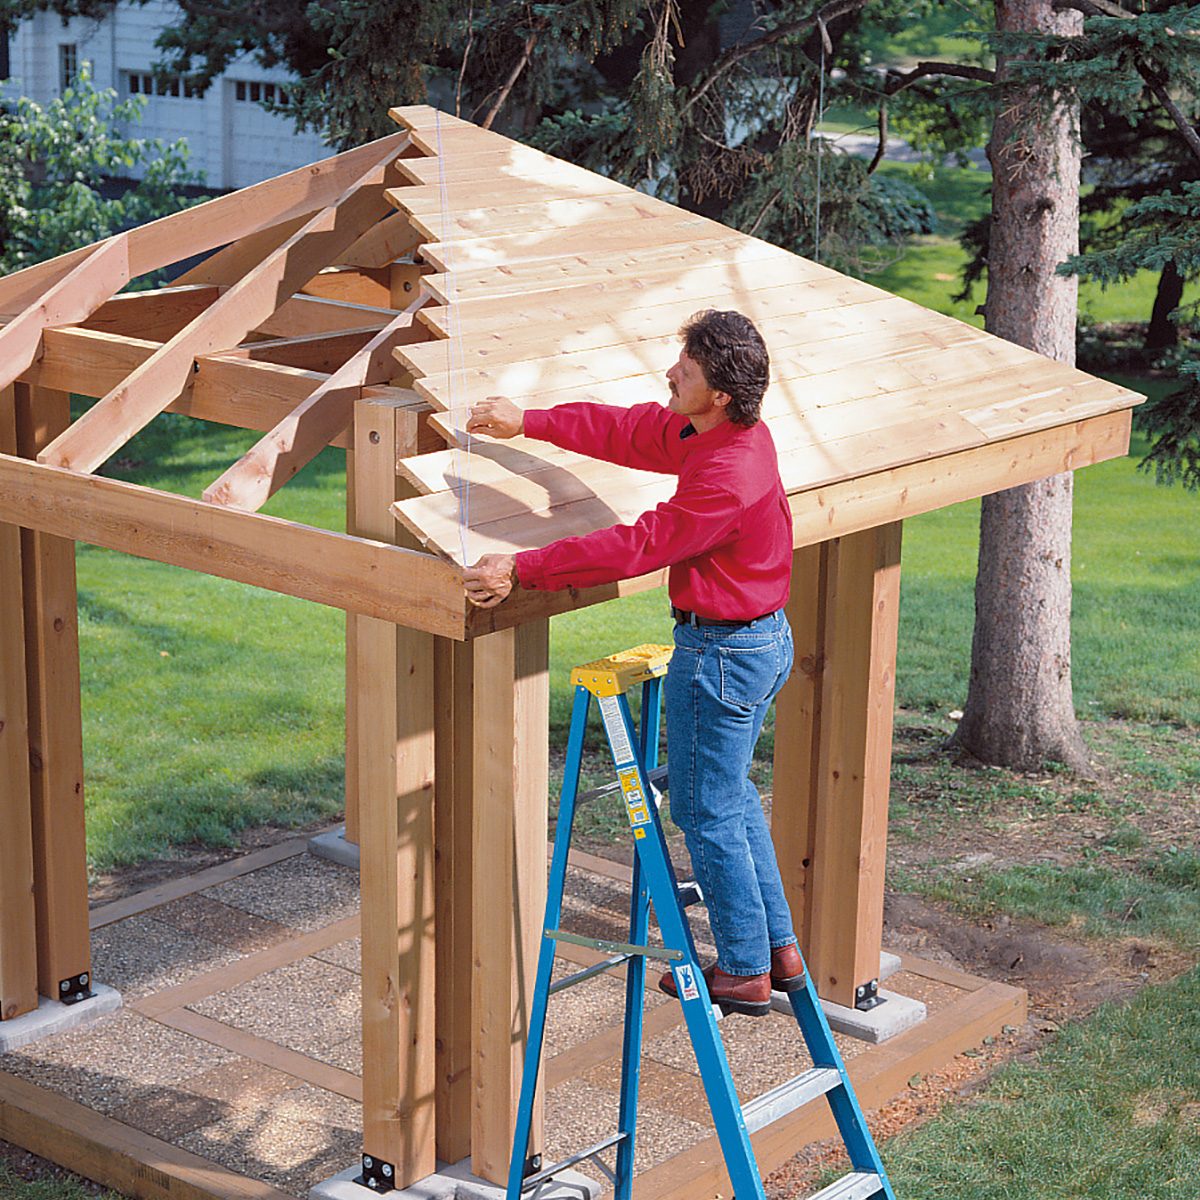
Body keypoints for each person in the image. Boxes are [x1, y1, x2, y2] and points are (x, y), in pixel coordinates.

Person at [461, 309, 804, 1016]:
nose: (670, 371)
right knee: (731, 796)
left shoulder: (726, 476)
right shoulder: (721, 432)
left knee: (704, 810)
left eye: (687, 367)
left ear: (719, 394)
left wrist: (525, 569)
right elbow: (626, 430)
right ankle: (776, 948)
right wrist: (528, 420)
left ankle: (742, 970)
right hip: (756, 642)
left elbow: (637, 546)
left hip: (722, 656)